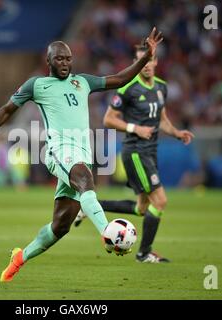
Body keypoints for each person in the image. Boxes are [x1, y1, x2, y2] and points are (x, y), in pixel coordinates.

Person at [0, 28, 163, 282]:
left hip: (81, 153)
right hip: (58, 152)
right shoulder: (37, 85)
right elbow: (7, 110)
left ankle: (21, 257)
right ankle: (109, 234)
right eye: (59, 59)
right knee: (86, 181)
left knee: (60, 226)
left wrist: (144, 58)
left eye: (68, 59)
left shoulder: (82, 81)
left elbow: (119, 79)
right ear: (49, 61)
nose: (64, 63)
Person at [74, 43, 194, 263]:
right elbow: (108, 119)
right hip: (136, 152)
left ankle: (89, 207)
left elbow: (162, 119)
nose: (146, 65)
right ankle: (143, 253)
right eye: (141, 61)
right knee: (160, 201)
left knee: (142, 208)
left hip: (151, 151)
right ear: (135, 63)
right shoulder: (128, 88)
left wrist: (176, 133)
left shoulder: (161, 87)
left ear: (156, 61)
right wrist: (135, 128)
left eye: (149, 60)